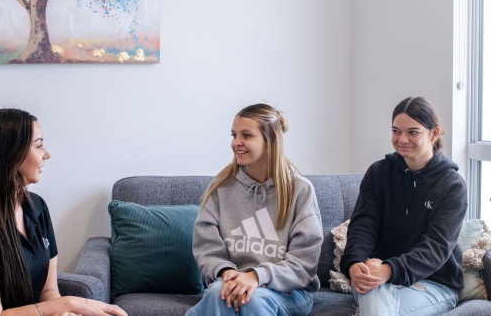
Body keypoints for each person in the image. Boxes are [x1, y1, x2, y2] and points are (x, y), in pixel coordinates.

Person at [0, 109, 127, 316]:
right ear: (10, 154)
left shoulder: (37, 207)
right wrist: (69, 304)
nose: (47, 153)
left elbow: (48, 291)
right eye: (38, 145)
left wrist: (61, 313)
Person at [185, 103, 323, 316]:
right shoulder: (220, 188)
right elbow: (207, 249)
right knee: (218, 294)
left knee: (253, 300)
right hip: (228, 283)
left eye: (246, 135)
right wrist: (228, 273)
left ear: (270, 141)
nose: (236, 143)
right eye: (234, 135)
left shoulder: (300, 190)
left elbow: (304, 264)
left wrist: (256, 277)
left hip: (287, 292)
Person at [340, 96, 467, 316]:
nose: (402, 139)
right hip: (377, 277)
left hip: (434, 284)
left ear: (434, 133)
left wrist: (390, 270)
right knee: (374, 294)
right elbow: (363, 226)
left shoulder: (452, 185)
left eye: (413, 132)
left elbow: (436, 248)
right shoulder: (378, 173)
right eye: (396, 131)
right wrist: (353, 265)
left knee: (377, 306)